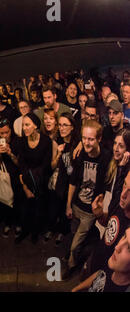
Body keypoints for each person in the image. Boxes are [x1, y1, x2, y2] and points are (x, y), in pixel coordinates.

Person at [63, 120, 112, 280]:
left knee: (76, 244)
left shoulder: (106, 158)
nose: (86, 142)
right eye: (84, 138)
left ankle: (71, 267)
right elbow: (73, 181)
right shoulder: (80, 154)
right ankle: (75, 258)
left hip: (90, 212)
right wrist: (68, 205)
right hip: (77, 206)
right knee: (73, 237)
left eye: (90, 139)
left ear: (98, 139)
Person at [87, 130, 130, 275]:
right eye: (115, 144)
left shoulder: (125, 171)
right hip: (108, 221)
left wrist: (122, 169)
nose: (116, 148)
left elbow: (117, 204)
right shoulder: (112, 163)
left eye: (121, 146)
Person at [15, 112, 55, 244]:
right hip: (26, 181)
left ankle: (35, 233)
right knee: (25, 209)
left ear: (36, 125)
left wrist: (34, 182)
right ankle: (25, 231)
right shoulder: (21, 141)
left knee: (38, 208)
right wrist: (26, 187)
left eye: (27, 125)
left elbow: (45, 166)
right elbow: (22, 165)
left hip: (40, 181)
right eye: (23, 125)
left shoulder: (45, 141)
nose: (24, 128)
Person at [46, 112, 80, 245]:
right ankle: (52, 228)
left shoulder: (77, 142)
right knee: (55, 206)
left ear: (72, 127)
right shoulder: (56, 141)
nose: (62, 128)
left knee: (67, 209)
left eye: (65, 125)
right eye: (60, 125)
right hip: (60, 180)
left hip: (73, 182)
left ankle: (62, 232)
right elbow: (52, 165)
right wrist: (59, 153)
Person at [0, 118, 23, 238]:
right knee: (4, 200)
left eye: (7, 132)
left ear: (11, 131)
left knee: (18, 200)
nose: (5, 135)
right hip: (3, 177)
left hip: (16, 177)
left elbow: (20, 164)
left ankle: (18, 224)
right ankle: (8, 223)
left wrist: (10, 153)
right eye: (1, 133)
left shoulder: (18, 141)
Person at [72, 227, 130, 292]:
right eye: (124, 236)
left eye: (129, 248)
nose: (117, 247)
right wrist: (76, 289)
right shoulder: (114, 265)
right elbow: (101, 274)